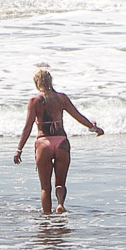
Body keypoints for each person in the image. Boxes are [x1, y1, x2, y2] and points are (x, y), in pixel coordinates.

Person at [13, 68, 104, 214]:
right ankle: (60, 204)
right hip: (61, 142)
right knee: (60, 183)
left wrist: (19, 150)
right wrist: (94, 128)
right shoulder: (61, 98)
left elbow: (28, 127)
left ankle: (47, 219)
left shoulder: (35, 101)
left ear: (37, 83)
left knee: (45, 187)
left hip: (44, 143)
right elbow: (78, 116)